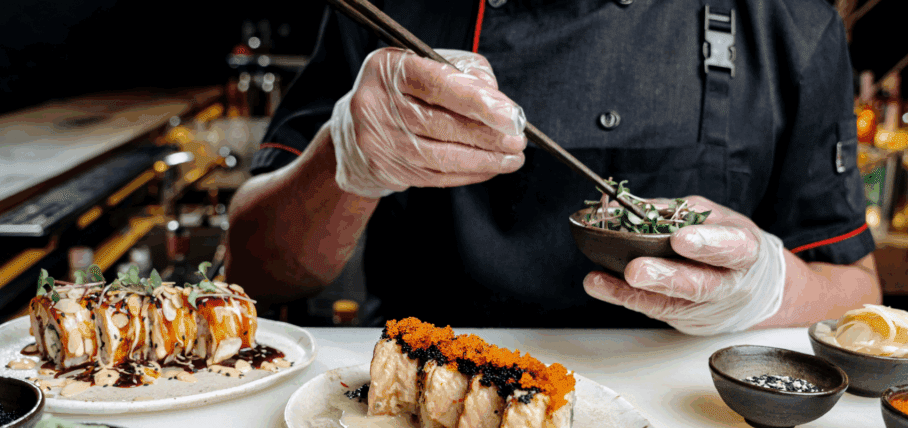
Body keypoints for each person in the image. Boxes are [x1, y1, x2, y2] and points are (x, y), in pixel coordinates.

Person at [226, 0, 882, 332]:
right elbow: (257, 272)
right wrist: (344, 160)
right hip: (416, 407)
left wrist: (768, 288)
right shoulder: (394, 8)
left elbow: (859, 293)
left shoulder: (790, 20)